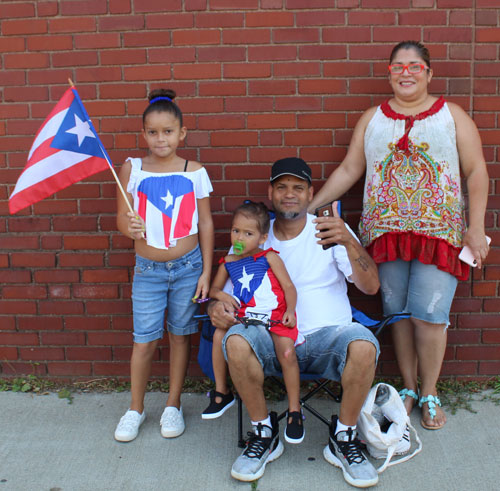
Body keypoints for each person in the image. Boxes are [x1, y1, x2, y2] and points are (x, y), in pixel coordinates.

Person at [309, 40, 490, 431]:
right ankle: (408, 389)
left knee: (430, 316)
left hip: (439, 234)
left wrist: (475, 228)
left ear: (428, 73)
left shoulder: (452, 116)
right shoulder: (373, 118)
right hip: (387, 232)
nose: (405, 73)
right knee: (398, 315)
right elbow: (349, 169)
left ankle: (430, 392)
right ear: (389, 73)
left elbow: (477, 172)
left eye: (414, 66)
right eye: (398, 67)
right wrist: (309, 210)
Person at [209, 157, 383, 488]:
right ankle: (263, 431)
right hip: (269, 338)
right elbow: (224, 296)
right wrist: (217, 312)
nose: (290, 194)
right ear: (270, 192)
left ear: (310, 193)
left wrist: (347, 239)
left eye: (298, 188)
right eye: (282, 187)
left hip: (327, 338)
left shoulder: (329, 229)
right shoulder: (254, 236)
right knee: (234, 340)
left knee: (363, 344)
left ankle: (343, 438)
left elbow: (371, 287)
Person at [114, 88, 214, 442]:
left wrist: (205, 271)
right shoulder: (132, 168)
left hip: (188, 267)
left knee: (180, 336)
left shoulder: (194, 171)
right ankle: (135, 408)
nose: (160, 139)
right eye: (153, 132)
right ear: (144, 134)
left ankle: (172, 404)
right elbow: (121, 221)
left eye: (168, 131)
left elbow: (206, 224)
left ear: (181, 133)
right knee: (144, 340)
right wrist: (131, 226)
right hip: (149, 271)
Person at [205, 201, 306, 444]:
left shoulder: (269, 256)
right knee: (220, 334)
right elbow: (213, 290)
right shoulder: (229, 261)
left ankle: (294, 410)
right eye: (235, 230)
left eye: (248, 233)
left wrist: (291, 310)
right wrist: (223, 296)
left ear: (262, 238)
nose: (239, 237)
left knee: (287, 352)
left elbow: (289, 287)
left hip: (274, 316)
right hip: (247, 318)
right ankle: (222, 392)